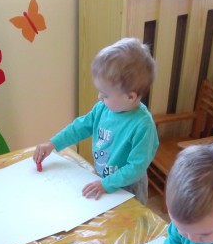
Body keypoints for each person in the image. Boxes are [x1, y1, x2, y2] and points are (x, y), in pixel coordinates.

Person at [33, 37, 158, 204]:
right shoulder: (102, 109)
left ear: (130, 96)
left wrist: (106, 184)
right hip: (103, 180)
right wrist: (52, 144)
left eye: (105, 94)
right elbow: (79, 127)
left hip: (129, 190)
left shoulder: (143, 126)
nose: (99, 97)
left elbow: (136, 168)